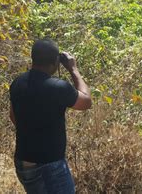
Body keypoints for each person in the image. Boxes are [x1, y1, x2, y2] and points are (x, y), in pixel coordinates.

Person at [9, 39, 91, 193]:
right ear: (56, 61)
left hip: (23, 162)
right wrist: (73, 69)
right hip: (49, 165)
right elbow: (86, 102)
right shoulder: (58, 87)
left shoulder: (17, 83)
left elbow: (13, 117)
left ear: (33, 58)